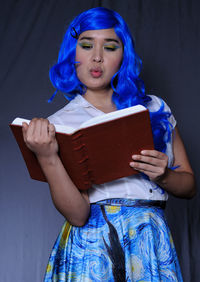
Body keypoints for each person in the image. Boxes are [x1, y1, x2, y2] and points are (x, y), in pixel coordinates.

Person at [22, 7, 195, 282]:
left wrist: (164, 175)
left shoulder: (154, 108)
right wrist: (47, 157)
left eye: (110, 47)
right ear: (72, 53)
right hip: (91, 248)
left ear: (123, 55)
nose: (97, 57)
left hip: (149, 239)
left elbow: (189, 186)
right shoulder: (59, 124)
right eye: (86, 45)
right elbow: (78, 216)